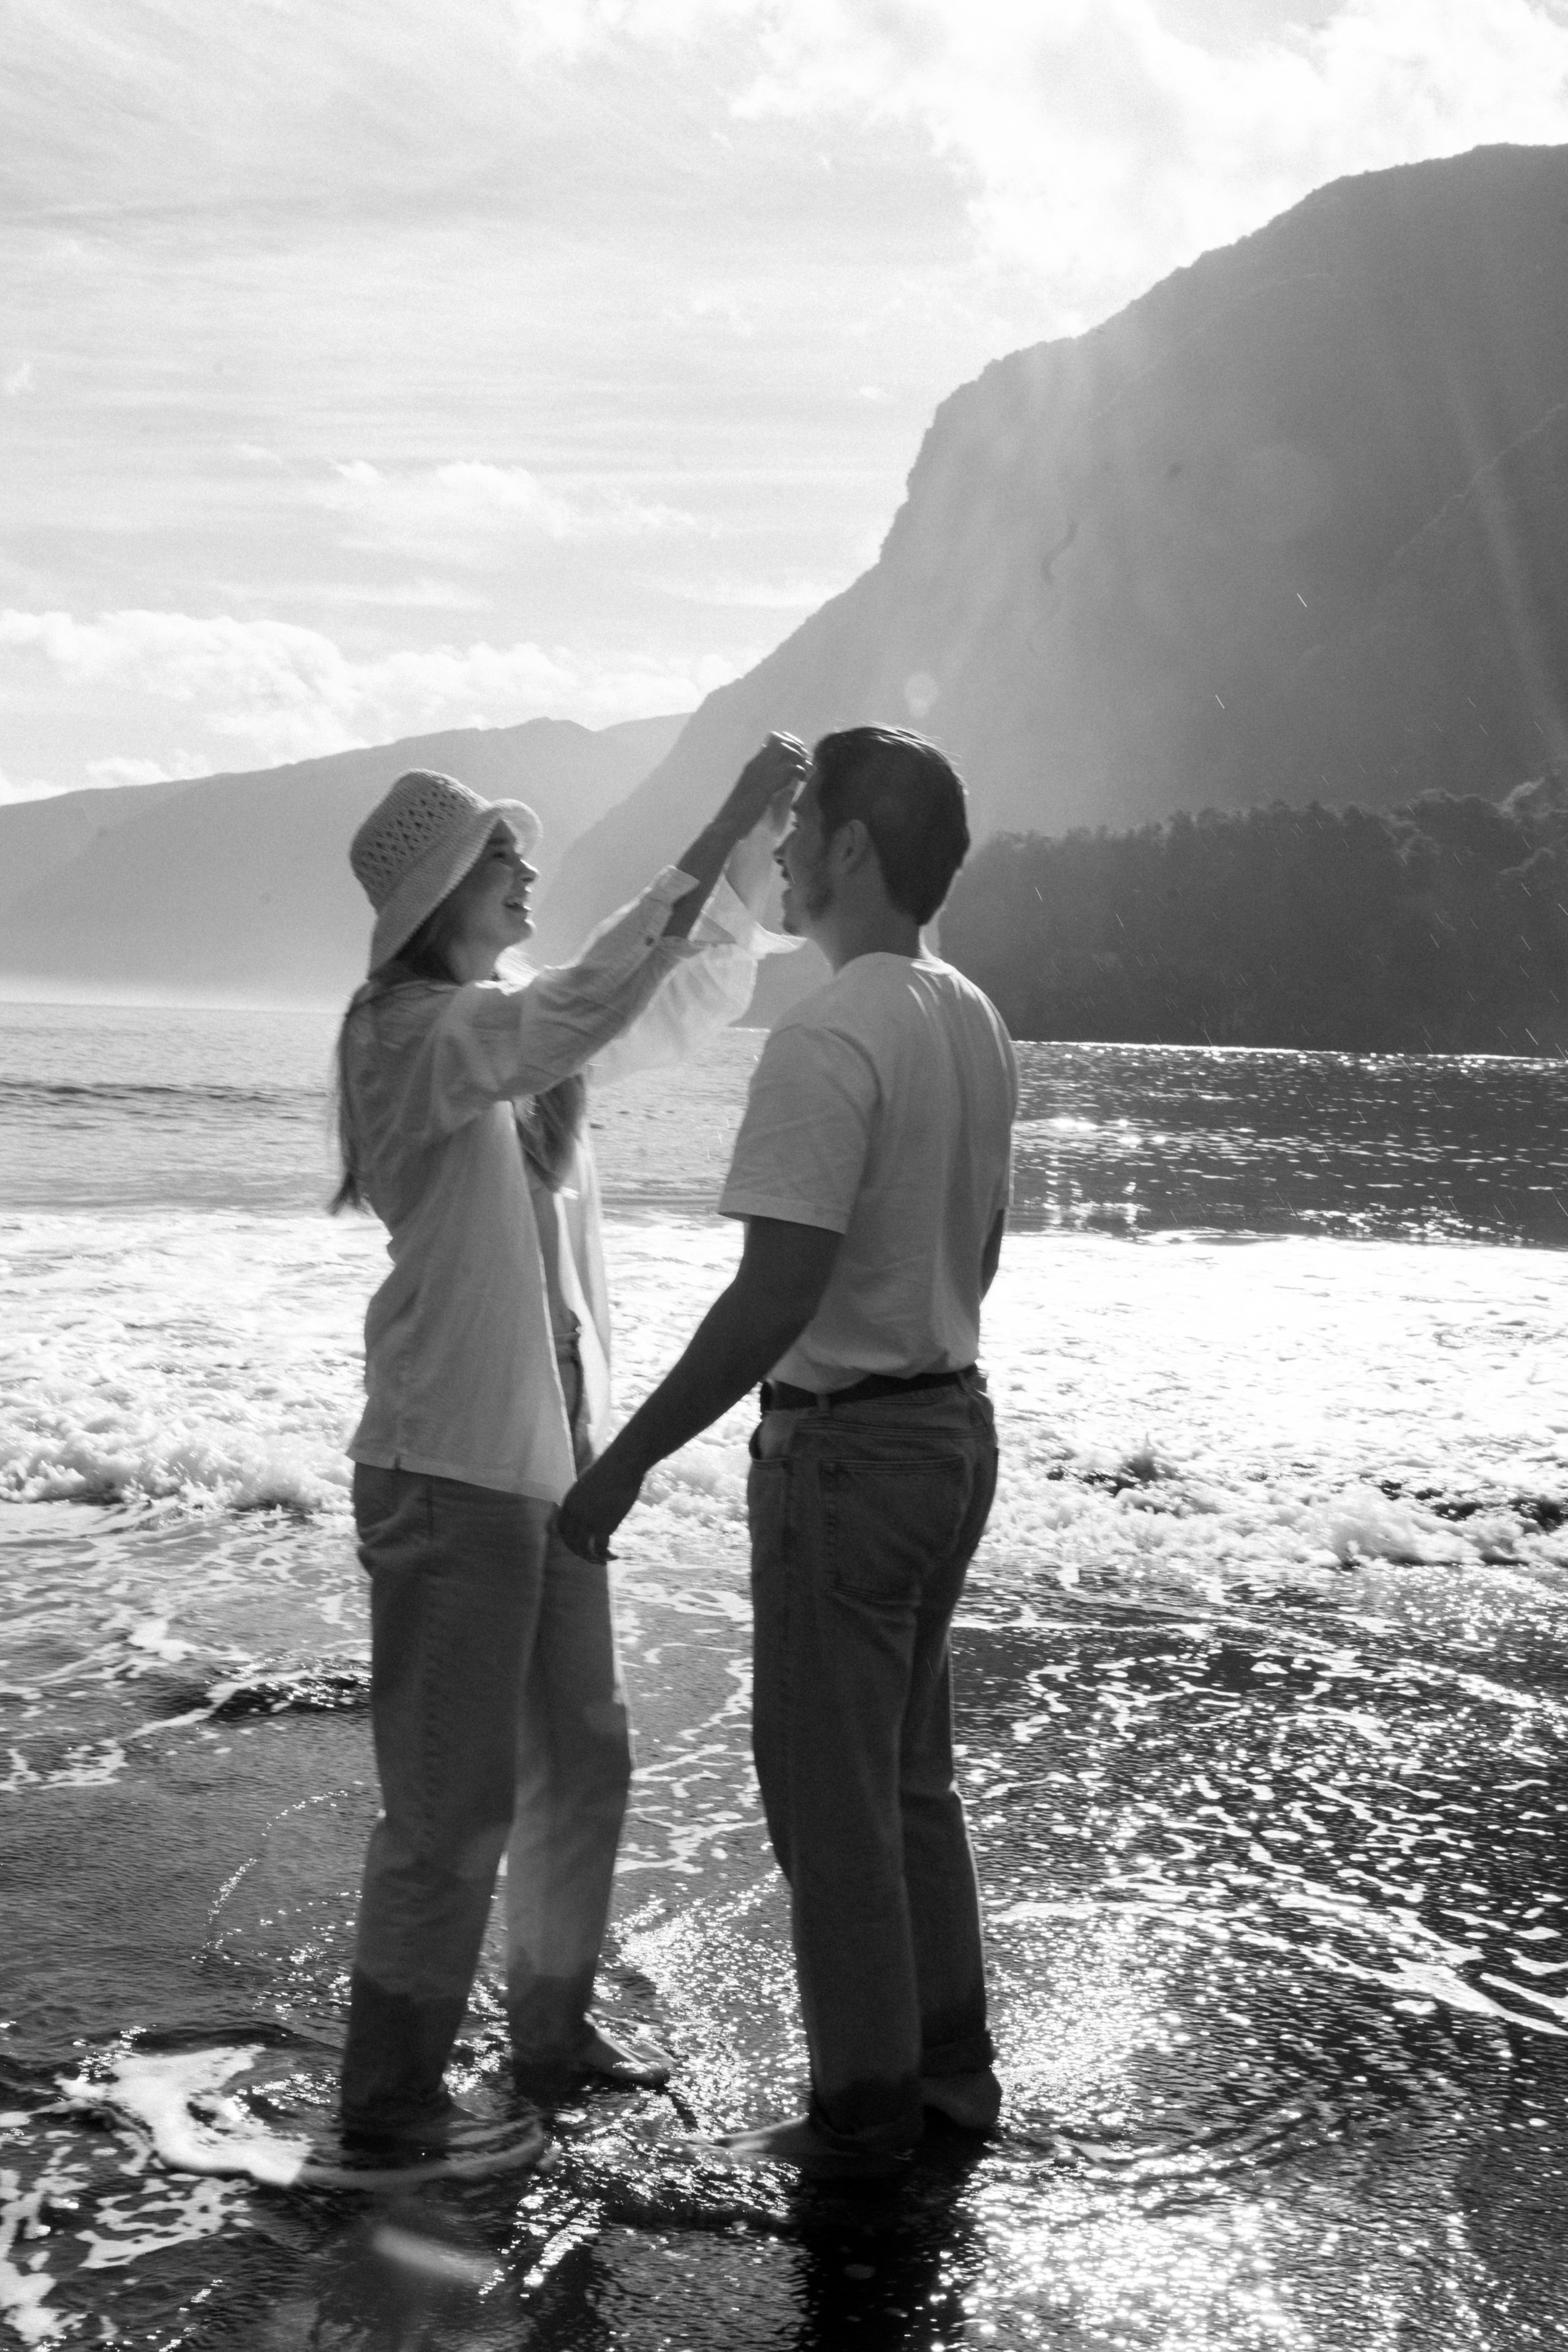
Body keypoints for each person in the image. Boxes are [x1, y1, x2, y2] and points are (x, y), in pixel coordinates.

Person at [328, 737, 804, 2178]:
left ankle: (547, 2032)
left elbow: (662, 996)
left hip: (542, 1465)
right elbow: (592, 996)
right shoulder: (409, 1034)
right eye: (500, 852)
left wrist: (735, 860)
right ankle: (388, 2101)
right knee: (451, 1807)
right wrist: (716, 818)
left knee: (584, 1763)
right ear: (442, 890)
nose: (527, 867)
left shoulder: (505, 1041)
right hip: (450, 1465)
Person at [558, 726, 1018, 2179]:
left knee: (833, 1807)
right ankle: (948, 2078)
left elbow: (775, 1291)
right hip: (951, 1427)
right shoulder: (968, 1013)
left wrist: (622, 1462)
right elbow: (978, 1247)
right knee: (905, 1785)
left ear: (853, 852)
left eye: (802, 821)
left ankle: (861, 2117)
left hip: (847, 1454)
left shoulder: (829, 1034)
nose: (781, 848)